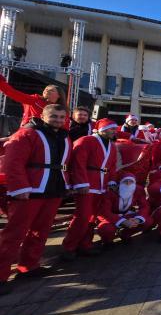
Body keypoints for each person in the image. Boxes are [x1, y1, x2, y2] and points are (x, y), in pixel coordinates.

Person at [0, 104, 71, 295]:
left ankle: (28, 266)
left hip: (53, 189)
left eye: (61, 116)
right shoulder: (27, 134)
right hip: (30, 191)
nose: (58, 119)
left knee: (41, 231)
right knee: (14, 234)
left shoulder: (64, 136)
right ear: (43, 115)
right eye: (54, 116)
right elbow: (12, 162)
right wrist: (19, 188)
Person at [62, 118, 119, 260]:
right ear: (102, 129)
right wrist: (81, 183)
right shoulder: (86, 141)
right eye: (111, 129)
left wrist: (111, 180)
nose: (114, 131)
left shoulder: (112, 146)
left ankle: (85, 244)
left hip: (101, 185)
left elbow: (112, 166)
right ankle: (69, 247)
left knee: (91, 218)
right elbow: (77, 163)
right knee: (82, 216)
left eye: (114, 129)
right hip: (87, 184)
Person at [96, 171, 152, 246]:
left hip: (127, 214)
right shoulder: (110, 192)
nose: (128, 184)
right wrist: (122, 221)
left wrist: (137, 219)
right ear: (120, 183)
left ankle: (125, 234)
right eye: (125, 181)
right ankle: (107, 241)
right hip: (112, 218)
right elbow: (104, 212)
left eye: (131, 182)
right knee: (106, 229)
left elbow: (145, 206)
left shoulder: (138, 190)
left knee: (147, 221)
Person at [0, 74, 68, 127]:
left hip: (52, 136)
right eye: (46, 89)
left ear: (59, 95)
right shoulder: (34, 100)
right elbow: (13, 93)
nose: (47, 91)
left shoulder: (63, 110)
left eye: (51, 90)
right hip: (30, 132)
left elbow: (65, 128)